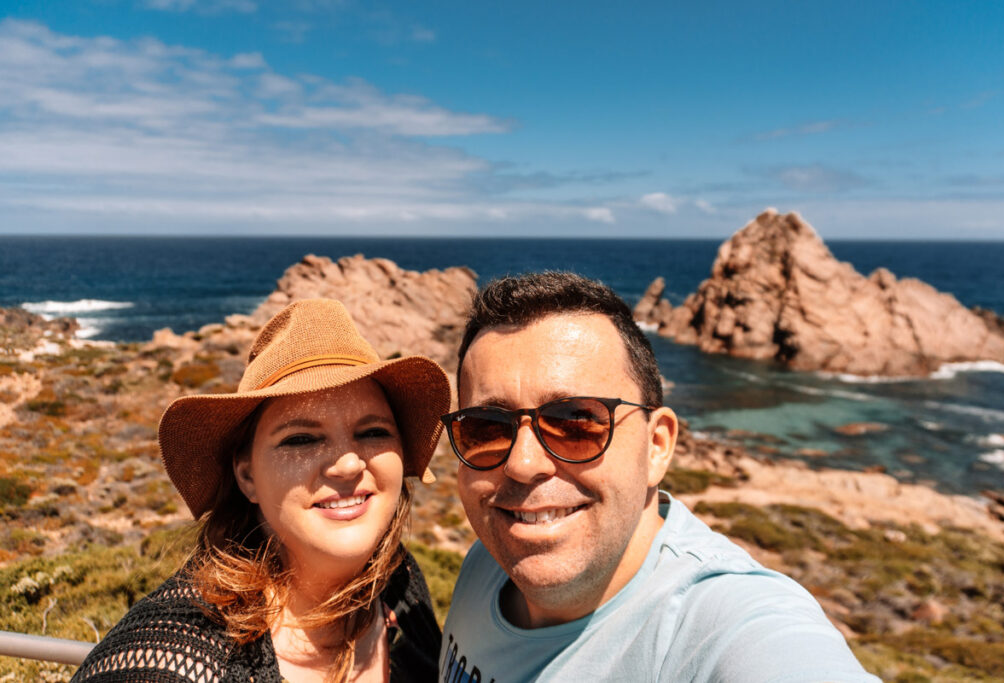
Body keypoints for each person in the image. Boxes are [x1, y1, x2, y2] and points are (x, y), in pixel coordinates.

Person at [438, 272, 880, 682]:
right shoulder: (489, 561)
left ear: (657, 445)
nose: (522, 463)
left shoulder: (720, 625)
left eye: (575, 421)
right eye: (486, 427)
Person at [72, 298, 451, 683]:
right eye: (301, 439)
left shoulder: (398, 582)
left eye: (373, 432)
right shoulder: (166, 662)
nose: (349, 464)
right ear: (246, 475)